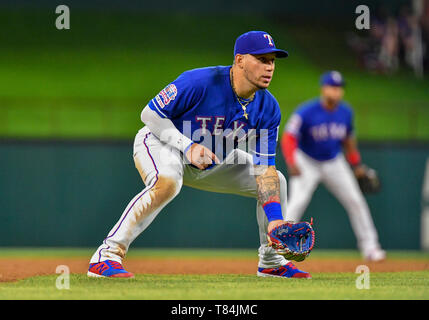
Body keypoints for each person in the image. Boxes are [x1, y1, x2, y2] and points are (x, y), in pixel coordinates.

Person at [87, 31, 312, 279]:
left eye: (272, 61)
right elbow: (149, 115)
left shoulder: (268, 108)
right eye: (261, 59)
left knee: (276, 180)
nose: (269, 67)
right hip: (162, 143)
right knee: (168, 181)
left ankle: (271, 261)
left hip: (212, 160)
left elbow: (263, 168)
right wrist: (187, 146)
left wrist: (276, 219)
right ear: (239, 60)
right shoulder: (200, 81)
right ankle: (106, 256)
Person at [280, 71, 386, 262]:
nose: (336, 91)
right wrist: (291, 160)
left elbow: (348, 140)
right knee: (297, 203)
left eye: (339, 88)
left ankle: (370, 247)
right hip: (306, 160)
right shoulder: (306, 111)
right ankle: (280, 249)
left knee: (356, 201)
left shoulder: (346, 112)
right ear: (323, 88)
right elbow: (289, 137)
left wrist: (356, 164)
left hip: (333, 161)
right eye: (332, 87)